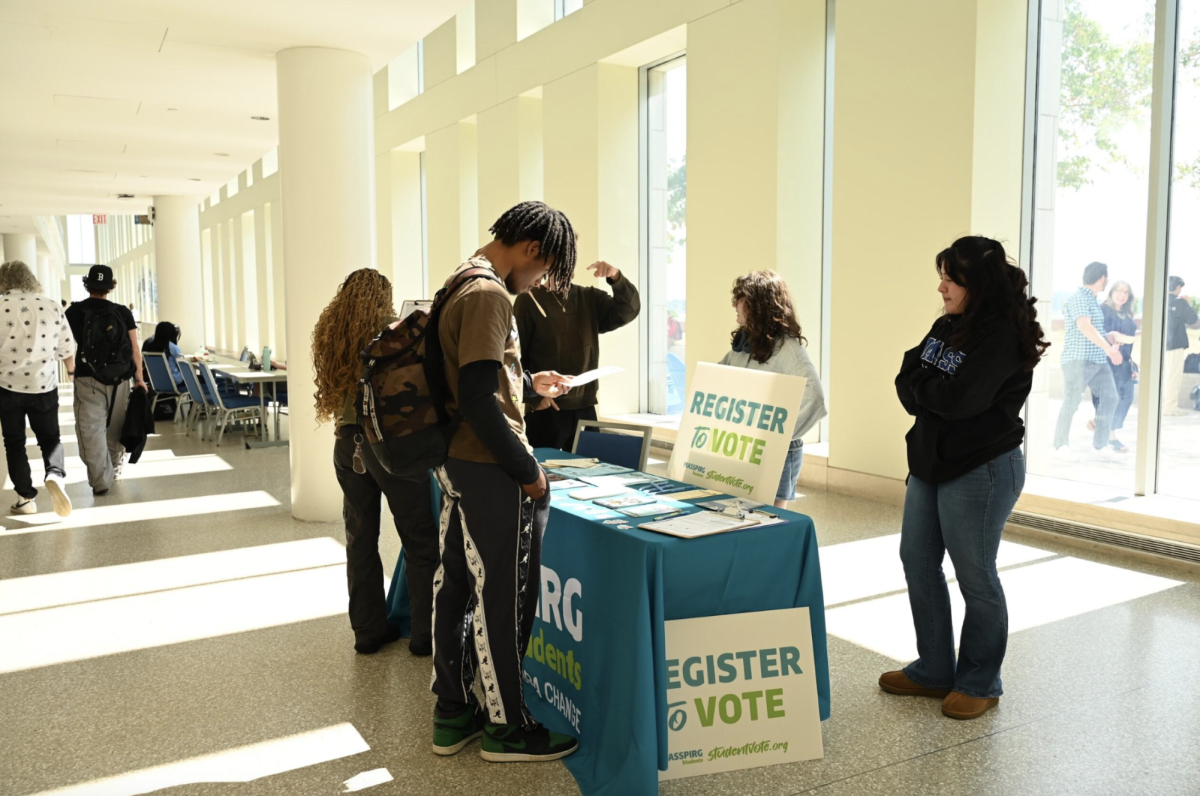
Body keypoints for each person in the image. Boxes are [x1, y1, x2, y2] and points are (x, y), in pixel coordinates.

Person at [431, 201, 579, 763]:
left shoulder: (461, 280)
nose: (537, 282)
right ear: (532, 250)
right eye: (543, 271)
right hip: (491, 468)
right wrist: (531, 473)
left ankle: (453, 712)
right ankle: (509, 727)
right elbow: (476, 398)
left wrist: (526, 385)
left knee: (457, 587)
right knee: (505, 597)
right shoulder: (492, 294)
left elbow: (476, 381)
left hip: (458, 463)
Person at [884, 236, 1049, 720]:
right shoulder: (948, 324)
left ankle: (979, 680)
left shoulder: (999, 336)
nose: (941, 288)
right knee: (916, 559)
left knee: (975, 575)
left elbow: (960, 401)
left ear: (977, 284)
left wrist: (924, 387)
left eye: (951, 280)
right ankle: (934, 669)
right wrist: (927, 388)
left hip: (982, 468)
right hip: (932, 462)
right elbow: (905, 378)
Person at [312, 268, 440, 657]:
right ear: (382, 297)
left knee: (360, 542)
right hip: (390, 448)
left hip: (346, 446)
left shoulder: (330, 331)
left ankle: (367, 631)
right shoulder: (393, 331)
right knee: (420, 540)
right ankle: (423, 635)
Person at [718, 271, 826, 509]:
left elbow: (815, 398)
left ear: (758, 305)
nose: (734, 304)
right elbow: (717, 381)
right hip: (745, 447)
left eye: (740, 298)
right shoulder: (742, 346)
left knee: (768, 523)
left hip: (776, 454)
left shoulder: (788, 349)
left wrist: (778, 436)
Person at [513, 260, 640, 450]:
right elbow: (516, 357)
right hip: (547, 409)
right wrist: (534, 398)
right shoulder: (529, 300)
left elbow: (628, 310)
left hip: (585, 407)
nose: (568, 264)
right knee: (543, 475)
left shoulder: (588, 297)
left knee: (592, 472)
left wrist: (616, 277)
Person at [0, 261, 76, 517]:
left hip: (7, 386)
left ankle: (25, 499)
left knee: (14, 443)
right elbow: (67, 347)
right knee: (50, 439)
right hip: (43, 384)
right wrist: (71, 373)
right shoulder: (52, 306)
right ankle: (55, 473)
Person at [65, 265, 146, 495]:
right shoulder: (122, 312)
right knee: (115, 426)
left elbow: (66, 347)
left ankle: (101, 480)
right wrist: (139, 378)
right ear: (111, 285)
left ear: (87, 284)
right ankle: (115, 468)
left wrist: (71, 371)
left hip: (87, 379)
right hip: (121, 379)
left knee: (91, 429)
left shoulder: (73, 312)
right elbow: (134, 349)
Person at [1052, 261, 1124, 463]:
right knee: (1071, 401)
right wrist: (1109, 349)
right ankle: (1060, 445)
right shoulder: (1079, 298)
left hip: (1098, 361)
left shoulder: (1093, 300)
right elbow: (1084, 326)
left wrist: (1109, 336)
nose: (1107, 282)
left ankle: (1100, 445)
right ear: (1101, 278)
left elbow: (1094, 330)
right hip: (1078, 360)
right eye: (1106, 278)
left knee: (1110, 398)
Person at [1089, 282, 1138, 450]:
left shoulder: (1128, 318)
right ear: (1111, 292)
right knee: (1109, 399)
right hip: (1105, 362)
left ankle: (1101, 424)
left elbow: (1129, 342)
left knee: (1127, 397)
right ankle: (1109, 436)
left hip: (1123, 364)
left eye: (1126, 292)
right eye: (1118, 290)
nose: (1121, 294)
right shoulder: (1103, 310)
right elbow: (1095, 334)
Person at [1164, 276, 1198, 417]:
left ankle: (1161, 405)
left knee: (1163, 376)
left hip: (1160, 345)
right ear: (1178, 288)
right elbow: (1194, 321)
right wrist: (1187, 303)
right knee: (1173, 377)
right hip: (1175, 345)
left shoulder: (1160, 300)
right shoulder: (1180, 302)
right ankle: (1170, 408)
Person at [142, 321, 185, 389]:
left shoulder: (150, 346)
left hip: (155, 382)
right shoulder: (173, 347)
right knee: (194, 378)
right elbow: (182, 364)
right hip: (173, 381)